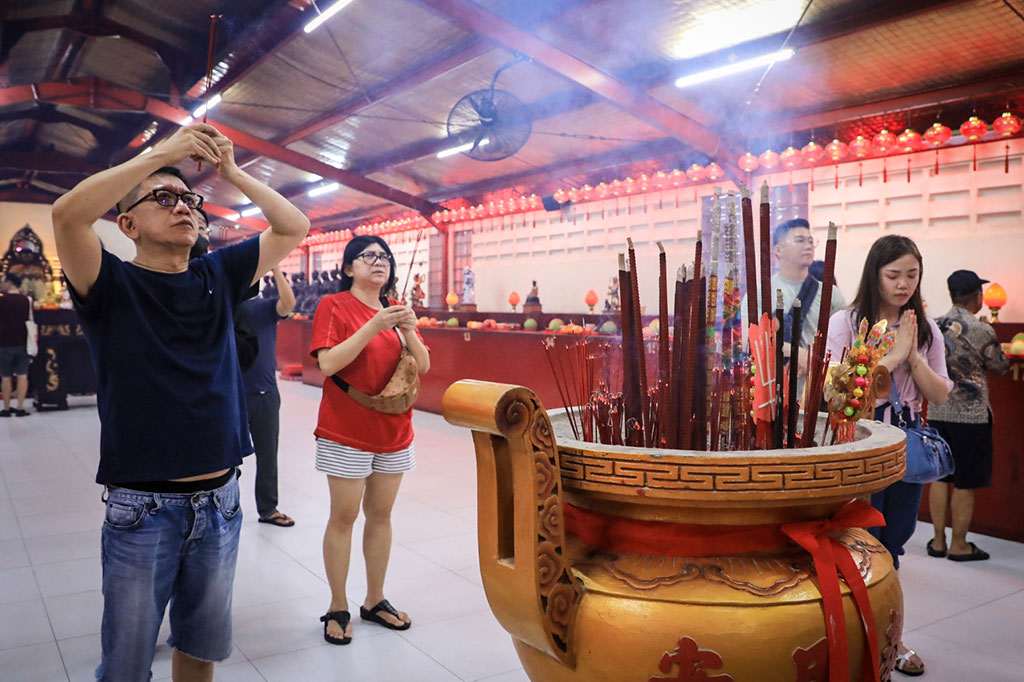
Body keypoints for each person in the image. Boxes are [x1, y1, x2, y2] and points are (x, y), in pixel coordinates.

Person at [52, 122, 309, 682]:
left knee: (201, 646)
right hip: (142, 509)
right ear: (127, 223)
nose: (183, 209)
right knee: (127, 664)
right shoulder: (109, 283)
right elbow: (68, 215)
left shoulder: (218, 274)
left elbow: (294, 225)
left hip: (220, 501)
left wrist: (233, 173)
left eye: (189, 199)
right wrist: (164, 153)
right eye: (162, 199)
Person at [826, 234, 951, 678]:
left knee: (893, 543)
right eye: (893, 274)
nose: (903, 284)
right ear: (874, 275)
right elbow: (838, 397)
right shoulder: (847, 323)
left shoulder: (928, 328)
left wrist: (913, 357)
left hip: (907, 445)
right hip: (860, 445)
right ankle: (848, 636)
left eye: (911, 275)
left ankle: (889, 638)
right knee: (855, 543)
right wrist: (892, 357)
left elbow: (941, 392)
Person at [310, 235, 430, 645]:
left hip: (395, 430)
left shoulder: (393, 310)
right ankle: (337, 605)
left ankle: (375, 600)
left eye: (385, 257)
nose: (379, 262)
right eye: (368, 256)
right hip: (346, 430)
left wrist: (408, 329)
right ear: (348, 268)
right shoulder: (335, 306)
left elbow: (425, 364)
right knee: (343, 517)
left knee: (381, 516)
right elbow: (328, 363)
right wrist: (373, 326)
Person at [926, 270, 1010, 562]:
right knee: (965, 480)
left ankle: (937, 541)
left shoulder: (935, 325)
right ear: (977, 297)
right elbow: (1000, 367)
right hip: (971, 417)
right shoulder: (980, 329)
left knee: (940, 477)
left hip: (938, 411)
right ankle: (959, 545)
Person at [241, 266, 296, 527]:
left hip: (264, 394)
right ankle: (221, 506)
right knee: (225, 456)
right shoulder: (222, 307)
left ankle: (268, 508)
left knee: (267, 455)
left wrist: (274, 268)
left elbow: (289, 303)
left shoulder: (263, 308)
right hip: (230, 395)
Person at [771, 219, 845, 349]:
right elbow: (751, 342)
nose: (808, 246)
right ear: (778, 250)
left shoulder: (832, 294)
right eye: (800, 240)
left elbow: (842, 343)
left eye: (811, 241)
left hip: (817, 368)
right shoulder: (761, 293)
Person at [0, 272, 32, 417]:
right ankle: (20, 407)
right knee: (22, 376)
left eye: (3, 281)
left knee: (5, 376)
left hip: (4, 342)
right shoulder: (26, 300)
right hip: (23, 342)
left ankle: (6, 408)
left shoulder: (2, 301)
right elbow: (30, 320)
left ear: (10, 283)